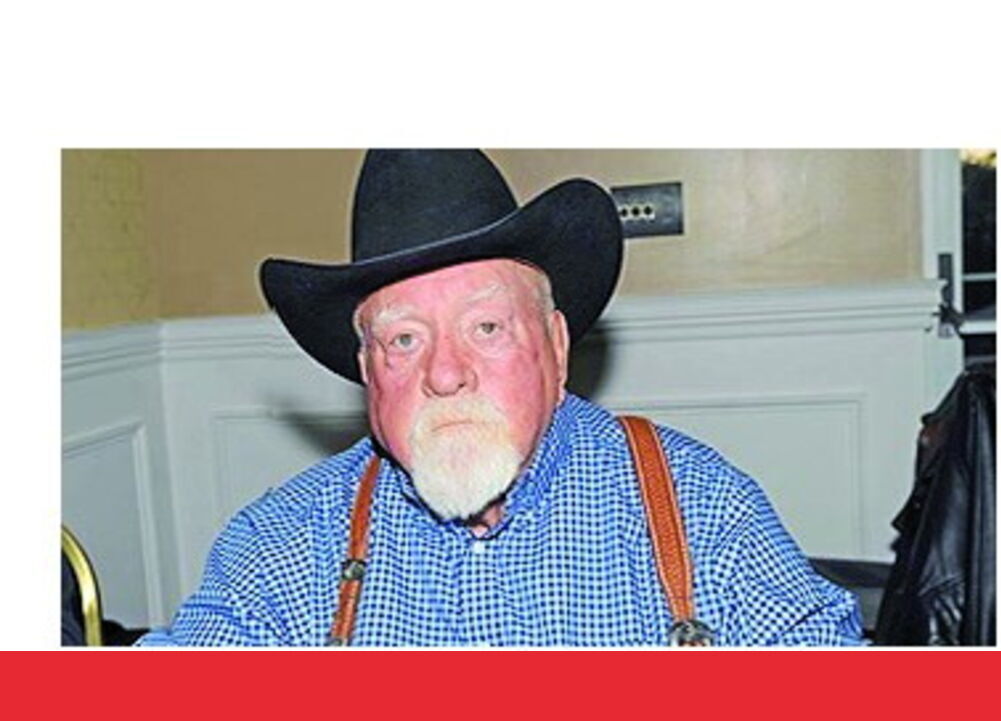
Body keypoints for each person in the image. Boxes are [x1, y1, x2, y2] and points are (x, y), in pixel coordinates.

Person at [137, 150, 863, 646]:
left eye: (485, 327)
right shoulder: (284, 545)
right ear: (366, 370)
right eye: (404, 340)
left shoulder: (700, 511)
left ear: (556, 344)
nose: (445, 373)